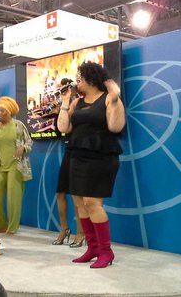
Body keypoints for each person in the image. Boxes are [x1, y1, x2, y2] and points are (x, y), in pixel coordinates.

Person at [57, 62, 125, 268]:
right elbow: (63, 127)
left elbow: (115, 126)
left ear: (91, 78)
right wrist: (65, 103)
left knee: (92, 203)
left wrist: (114, 98)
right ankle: (93, 248)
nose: (76, 81)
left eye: (80, 77)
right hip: (77, 155)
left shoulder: (108, 99)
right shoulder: (77, 102)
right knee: (80, 203)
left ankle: (106, 251)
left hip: (101, 156)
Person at [0, 97, 33, 234]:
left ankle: (12, 227)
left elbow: (29, 142)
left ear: (10, 112)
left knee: (14, 198)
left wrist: (23, 148)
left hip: (16, 165)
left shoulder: (18, 125)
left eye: (2, 111)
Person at [52, 79, 84, 247]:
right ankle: (64, 229)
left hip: (81, 152)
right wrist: (60, 109)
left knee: (77, 195)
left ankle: (81, 232)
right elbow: (61, 130)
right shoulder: (65, 105)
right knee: (60, 193)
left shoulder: (81, 104)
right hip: (68, 150)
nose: (65, 91)